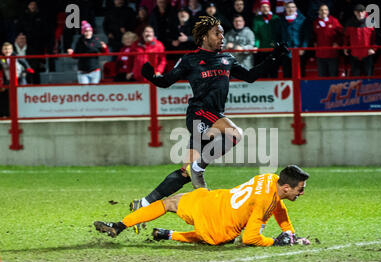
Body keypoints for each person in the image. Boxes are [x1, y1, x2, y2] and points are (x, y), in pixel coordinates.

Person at [129, 16, 289, 233]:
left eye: (222, 33)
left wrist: (274, 58)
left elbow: (251, 76)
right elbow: (166, 81)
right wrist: (152, 76)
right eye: (217, 33)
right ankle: (199, 168)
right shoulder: (190, 60)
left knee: (186, 173)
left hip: (213, 115)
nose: (222, 37)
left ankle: (144, 204)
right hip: (198, 114)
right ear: (204, 37)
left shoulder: (227, 59)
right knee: (235, 133)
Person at [94, 165, 311, 247]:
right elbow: (251, 238)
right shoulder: (267, 201)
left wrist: (290, 233)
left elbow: (279, 207)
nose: (302, 192)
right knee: (214, 236)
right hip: (219, 224)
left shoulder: (270, 178)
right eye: (300, 188)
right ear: (285, 188)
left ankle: (119, 226)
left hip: (212, 201)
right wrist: (277, 241)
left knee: (168, 202)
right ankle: (172, 235)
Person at [279, 1, 310, 78]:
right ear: (285, 8)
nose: (291, 9)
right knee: (286, 72)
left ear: (296, 8)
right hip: (285, 51)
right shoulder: (281, 20)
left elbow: (306, 35)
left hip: (299, 51)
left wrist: (303, 48)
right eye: (288, 7)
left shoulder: (303, 20)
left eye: (293, 7)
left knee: (300, 72)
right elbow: (278, 35)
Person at [253, 0, 283, 78]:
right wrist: (256, 45)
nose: (265, 9)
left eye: (267, 7)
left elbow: (280, 33)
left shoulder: (276, 18)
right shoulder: (257, 19)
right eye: (263, 7)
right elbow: (256, 34)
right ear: (260, 9)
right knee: (264, 71)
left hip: (274, 49)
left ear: (269, 8)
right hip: (263, 49)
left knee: (274, 71)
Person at [344, 4, 376, 76]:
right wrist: (345, 47)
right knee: (356, 77)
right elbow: (346, 37)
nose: (360, 14)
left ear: (365, 12)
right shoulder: (349, 23)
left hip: (367, 54)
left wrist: (373, 49)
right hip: (354, 54)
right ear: (355, 12)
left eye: (362, 12)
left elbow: (375, 38)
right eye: (358, 12)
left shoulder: (370, 22)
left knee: (368, 76)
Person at [313, 4, 344, 77]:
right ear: (318, 11)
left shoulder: (334, 21)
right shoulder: (315, 22)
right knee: (322, 76)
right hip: (320, 55)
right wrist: (314, 43)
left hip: (332, 54)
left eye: (325, 10)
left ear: (328, 11)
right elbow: (313, 36)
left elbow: (342, 34)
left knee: (333, 75)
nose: (323, 11)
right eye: (321, 10)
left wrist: (337, 42)